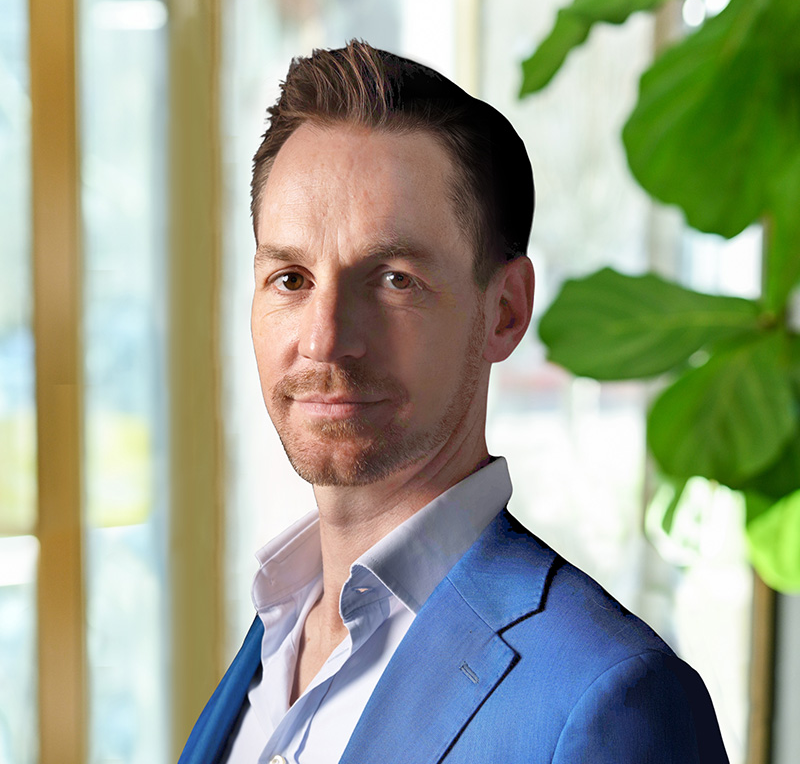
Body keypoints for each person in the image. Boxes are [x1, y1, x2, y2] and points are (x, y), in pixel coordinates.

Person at [179, 40, 729, 764]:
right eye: (291, 279)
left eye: (394, 279)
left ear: (505, 311)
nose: (324, 340)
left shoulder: (611, 700)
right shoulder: (278, 625)